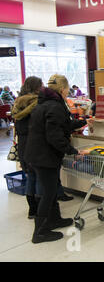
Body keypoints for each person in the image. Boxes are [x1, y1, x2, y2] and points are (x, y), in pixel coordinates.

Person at [25, 74, 93, 243]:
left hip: (40, 154)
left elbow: (64, 124)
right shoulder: (55, 106)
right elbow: (54, 136)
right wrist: (73, 151)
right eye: (67, 90)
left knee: (52, 188)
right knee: (48, 193)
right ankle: (39, 232)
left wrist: (83, 121)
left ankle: (55, 220)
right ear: (63, 90)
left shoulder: (46, 104)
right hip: (44, 156)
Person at [11, 76, 44, 219]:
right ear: (37, 87)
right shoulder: (37, 104)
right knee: (39, 177)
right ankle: (40, 209)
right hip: (36, 144)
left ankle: (32, 209)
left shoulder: (17, 104)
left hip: (23, 144)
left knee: (30, 176)